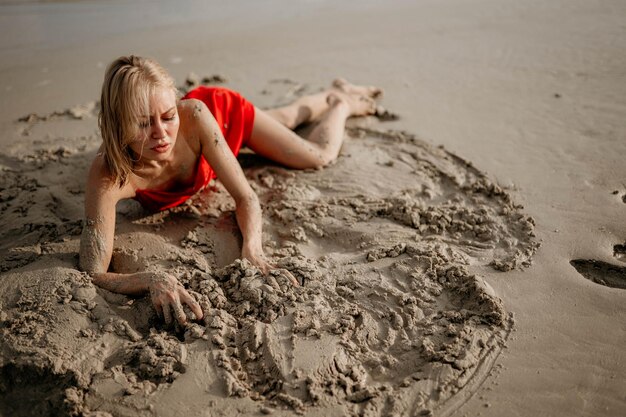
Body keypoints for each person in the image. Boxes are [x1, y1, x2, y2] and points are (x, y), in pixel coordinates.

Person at [79, 55, 382, 327]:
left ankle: (340, 103)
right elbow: (93, 271)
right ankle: (338, 93)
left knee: (317, 155)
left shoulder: (193, 115)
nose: (161, 134)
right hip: (210, 137)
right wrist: (148, 279)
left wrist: (253, 249)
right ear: (119, 125)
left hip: (219, 119)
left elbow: (245, 196)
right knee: (282, 120)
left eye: (169, 116)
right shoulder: (109, 173)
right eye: (144, 124)